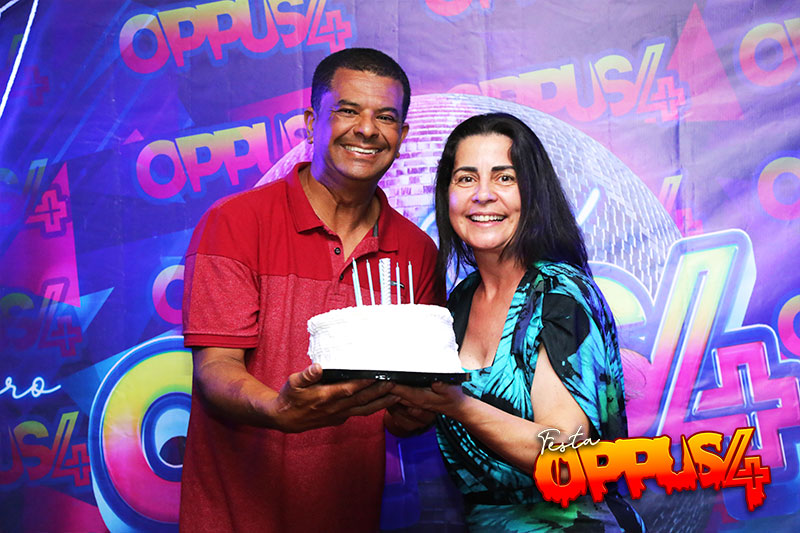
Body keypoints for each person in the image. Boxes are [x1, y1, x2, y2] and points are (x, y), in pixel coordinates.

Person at [180, 48, 444, 532]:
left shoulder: (418, 251)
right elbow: (215, 369)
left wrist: (417, 412)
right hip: (233, 519)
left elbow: (405, 409)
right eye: (348, 110)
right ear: (310, 123)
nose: (367, 129)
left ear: (402, 136)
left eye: (385, 117)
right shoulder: (234, 223)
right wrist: (277, 410)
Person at [391, 113, 645, 532]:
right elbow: (424, 417)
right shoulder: (459, 302)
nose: (483, 195)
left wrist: (456, 405)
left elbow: (566, 456)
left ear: (532, 193)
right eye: (466, 178)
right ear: (447, 195)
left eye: (504, 178)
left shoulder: (559, 294)